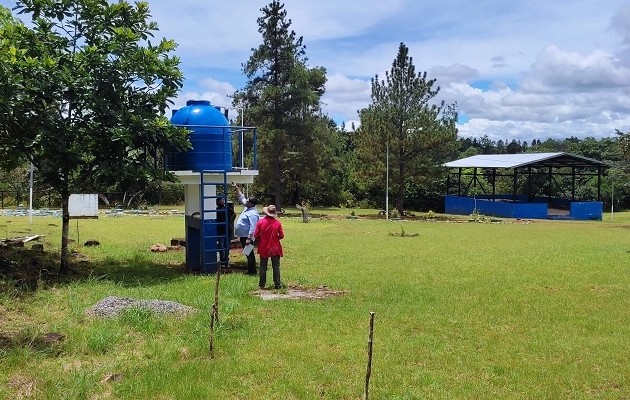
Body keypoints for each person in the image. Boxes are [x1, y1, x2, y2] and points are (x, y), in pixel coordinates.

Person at [253, 204, 285, 289]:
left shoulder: (260, 222)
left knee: (263, 265)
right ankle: (277, 284)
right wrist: (275, 237)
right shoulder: (277, 223)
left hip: (264, 246)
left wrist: (261, 238)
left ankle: (262, 284)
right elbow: (281, 235)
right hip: (275, 247)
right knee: (276, 266)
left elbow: (256, 235)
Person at [232, 182, 259, 274]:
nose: (246, 202)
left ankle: (252, 271)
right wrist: (236, 188)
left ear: (252, 204)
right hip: (243, 236)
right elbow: (241, 197)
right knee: (248, 253)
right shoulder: (247, 207)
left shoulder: (253, 214)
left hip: (247, 236)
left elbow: (253, 227)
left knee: (249, 253)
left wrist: (249, 238)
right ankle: (251, 270)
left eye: (248, 201)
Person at [216, 197, 235, 264]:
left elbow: (234, 214)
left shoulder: (227, 208)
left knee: (227, 246)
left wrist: (230, 222)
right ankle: (222, 259)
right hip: (220, 230)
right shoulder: (216, 210)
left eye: (223, 200)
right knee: (221, 246)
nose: (222, 202)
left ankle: (226, 259)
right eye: (220, 201)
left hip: (227, 230)